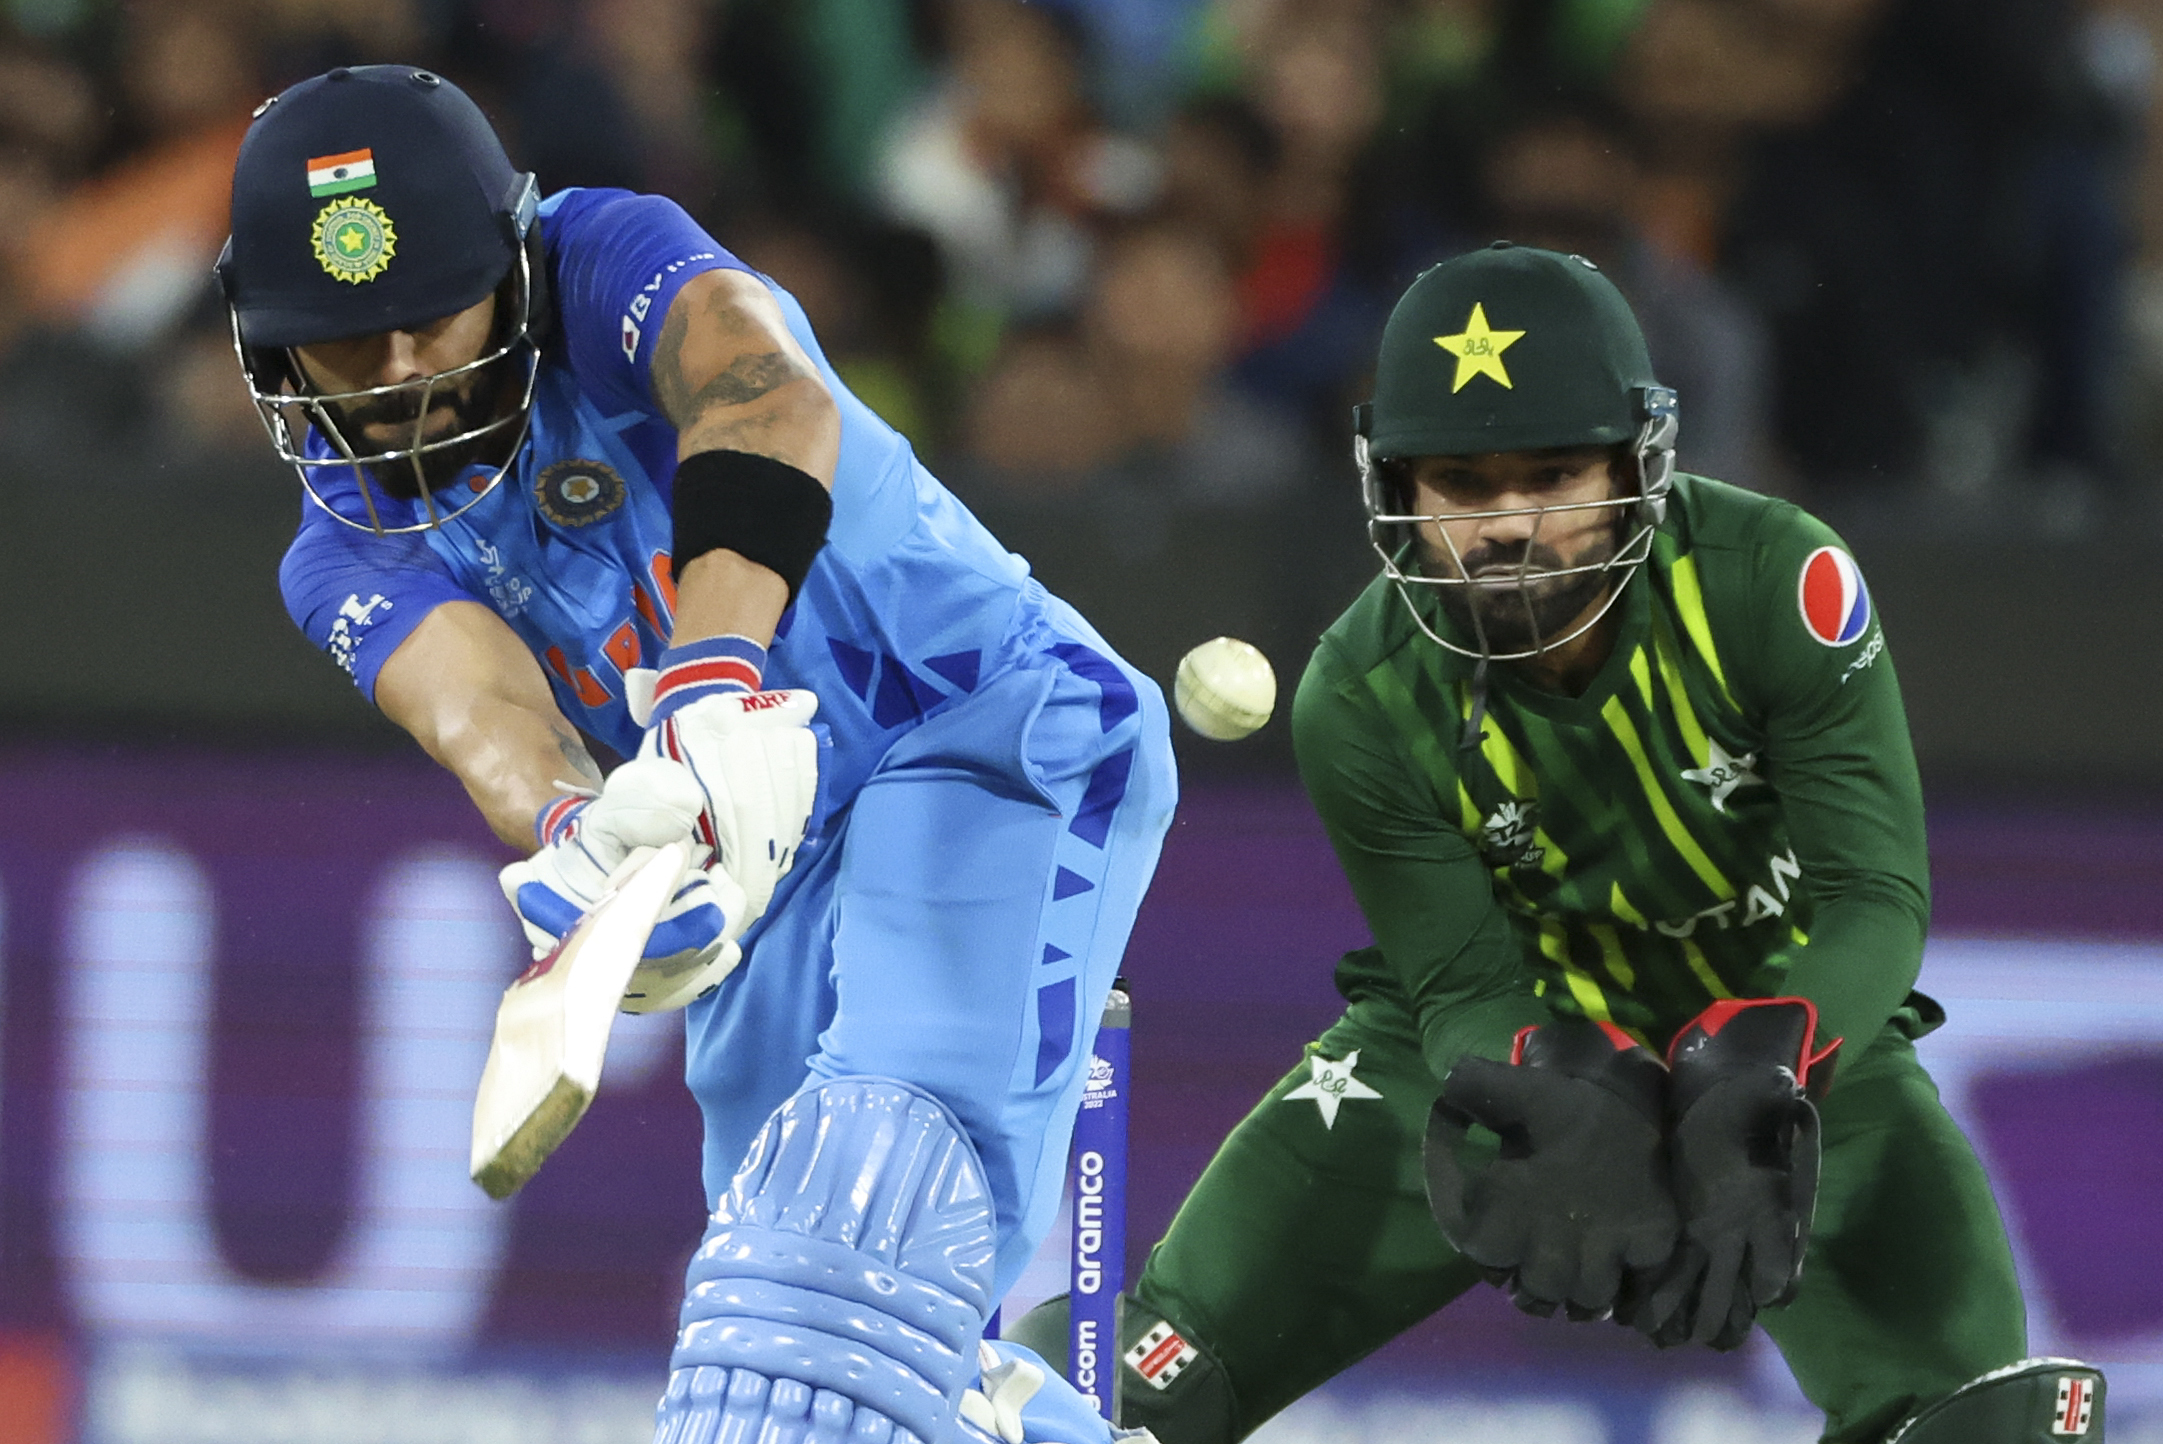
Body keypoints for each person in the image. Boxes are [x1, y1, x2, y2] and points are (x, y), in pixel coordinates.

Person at [219, 66, 1175, 1444]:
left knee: (856, 1214)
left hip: (981, 739)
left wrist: (710, 685)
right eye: (343, 344)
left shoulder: (607, 254)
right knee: (782, 1339)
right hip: (757, 871)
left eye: (428, 318)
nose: (400, 378)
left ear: (508, 258)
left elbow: (758, 391)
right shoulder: (335, 550)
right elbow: (480, 711)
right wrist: (576, 837)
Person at [1012, 243, 2107, 1444]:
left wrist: (1769, 1057)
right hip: (1491, 1058)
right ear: (1397, 490)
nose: (1510, 527)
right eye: (1464, 485)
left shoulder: (1777, 582)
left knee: (1992, 1425)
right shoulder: (1359, 690)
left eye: (1553, 475)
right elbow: (1461, 980)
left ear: (1640, 465)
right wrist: (1541, 1067)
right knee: (1121, 1381)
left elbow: (1875, 896)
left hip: (1783, 1046)